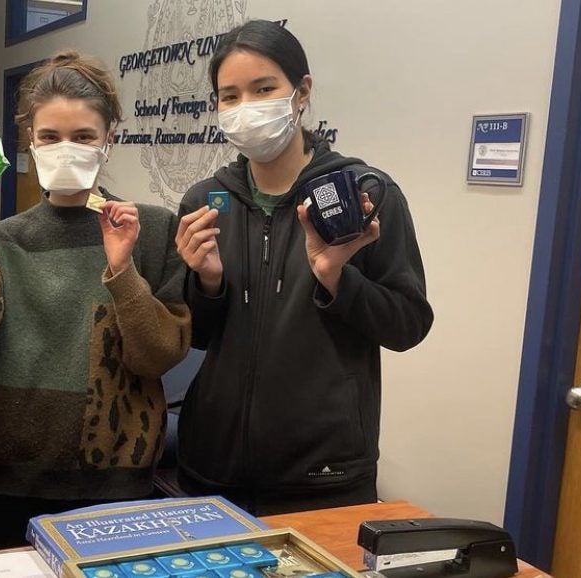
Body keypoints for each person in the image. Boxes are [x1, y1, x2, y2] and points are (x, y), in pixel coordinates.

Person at [0, 50, 191, 550]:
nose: (65, 149)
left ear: (110, 138)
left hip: (114, 474)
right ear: (30, 140)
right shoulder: (5, 236)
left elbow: (158, 354)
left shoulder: (153, 230)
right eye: (49, 137)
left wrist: (122, 270)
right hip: (5, 469)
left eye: (84, 137)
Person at [175, 20, 434, 515]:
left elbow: (408, 324)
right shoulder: (205, 200)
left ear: (302, 91)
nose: (246, 107)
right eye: (229, 96)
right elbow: (199, 338)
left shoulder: (364, 196)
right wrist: (206, 281)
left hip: (324, 475)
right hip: (213, 466)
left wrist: (338, 278)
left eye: (264, 88)